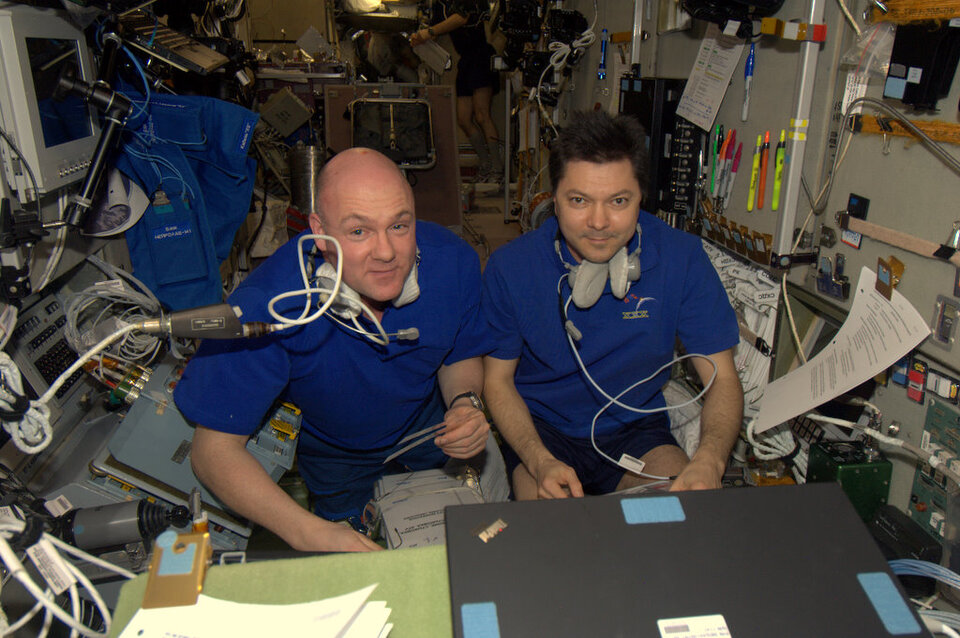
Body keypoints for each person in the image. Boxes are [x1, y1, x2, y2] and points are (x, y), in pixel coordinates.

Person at [174, 148, 492, 552]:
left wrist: (465, 403)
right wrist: (309, 532)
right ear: (319, 233)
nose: (386, 252)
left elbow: (458, 352)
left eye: (399, 225)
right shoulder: (268, 307)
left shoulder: (454, 263)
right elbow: (212, 451)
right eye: (359, 231)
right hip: (336, 461)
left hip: (432, 433)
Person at [481, 111, 743, 500]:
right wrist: (539, 461)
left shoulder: (681, 258)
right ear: (554, 198)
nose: (599, 222)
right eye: (579, 200)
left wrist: (709, 459)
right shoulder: (510, 267)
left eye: (619, 201)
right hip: (542, 433)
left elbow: (721, 377)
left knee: (676, 521)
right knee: (549, 545)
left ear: (641, 198)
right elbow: (497, 382)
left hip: (637, 430)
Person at [410, 0, 503, 183]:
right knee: (463, 118)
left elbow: (462, 17)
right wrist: (420, 37)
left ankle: (497, 169)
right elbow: (437, 30)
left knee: (482, 114)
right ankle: (485, 164)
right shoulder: (438, 4)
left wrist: (428, 32)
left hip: (481, 55)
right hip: (466, 59)